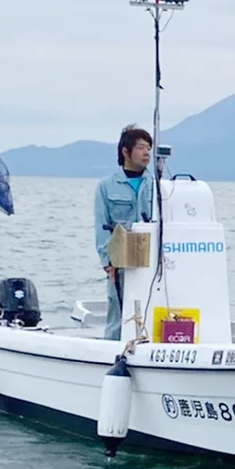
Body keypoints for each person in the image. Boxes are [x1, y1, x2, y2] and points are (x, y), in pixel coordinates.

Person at [94, 124, 155, 340]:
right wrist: (107, 261)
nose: (146, 152)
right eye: (140, 147)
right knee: (117, 311)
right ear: (126, 151)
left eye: (149, 147)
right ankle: (112, 351)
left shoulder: (157, 185)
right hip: (120, 261)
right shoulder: (106, 186)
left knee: (150, 308)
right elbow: (101, 226)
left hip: (151, 260)